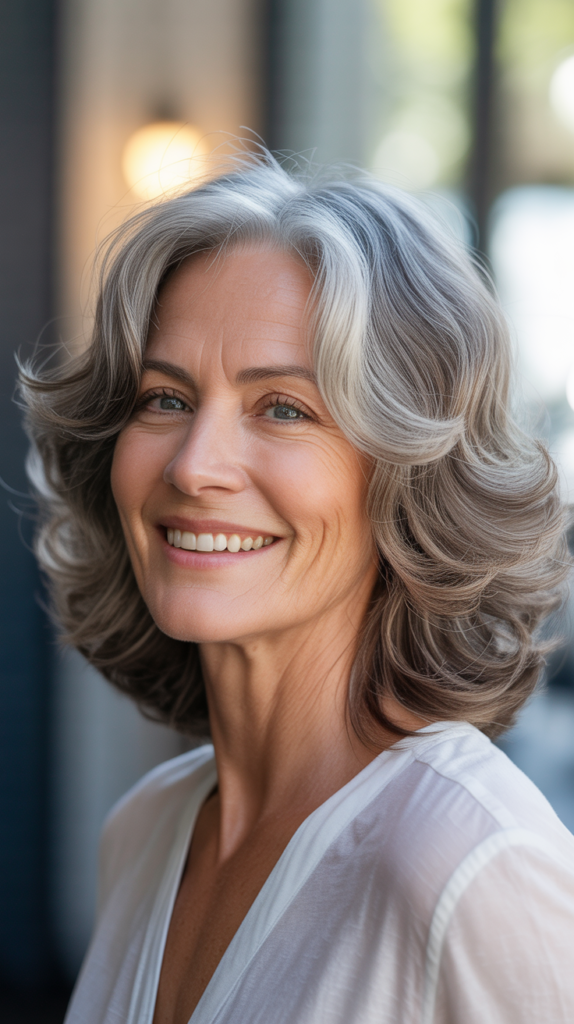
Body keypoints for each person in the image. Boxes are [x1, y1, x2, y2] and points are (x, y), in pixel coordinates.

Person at [21, 156, 574, 1024]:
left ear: (406, 474)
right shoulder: (144, 830)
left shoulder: (472, 866)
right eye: (164, 399)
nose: (194, 466)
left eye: (283, 408)